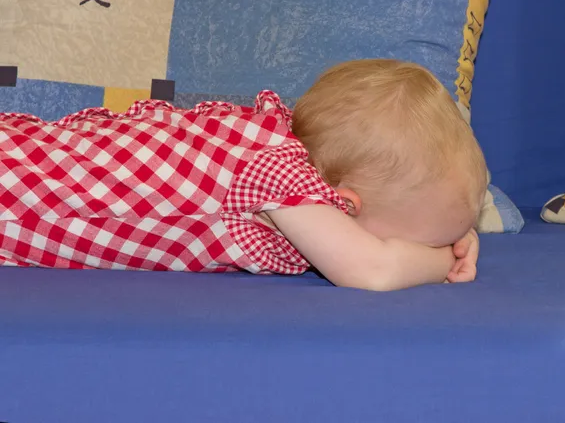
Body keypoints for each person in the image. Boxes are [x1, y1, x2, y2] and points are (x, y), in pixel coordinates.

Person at [0, 59, 486, 291]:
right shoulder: (282, 176)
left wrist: (444, 232)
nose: (439, 246)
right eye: (423, 240)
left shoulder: (272, 139)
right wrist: (441, 261)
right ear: (346, 204)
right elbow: (372, 270)